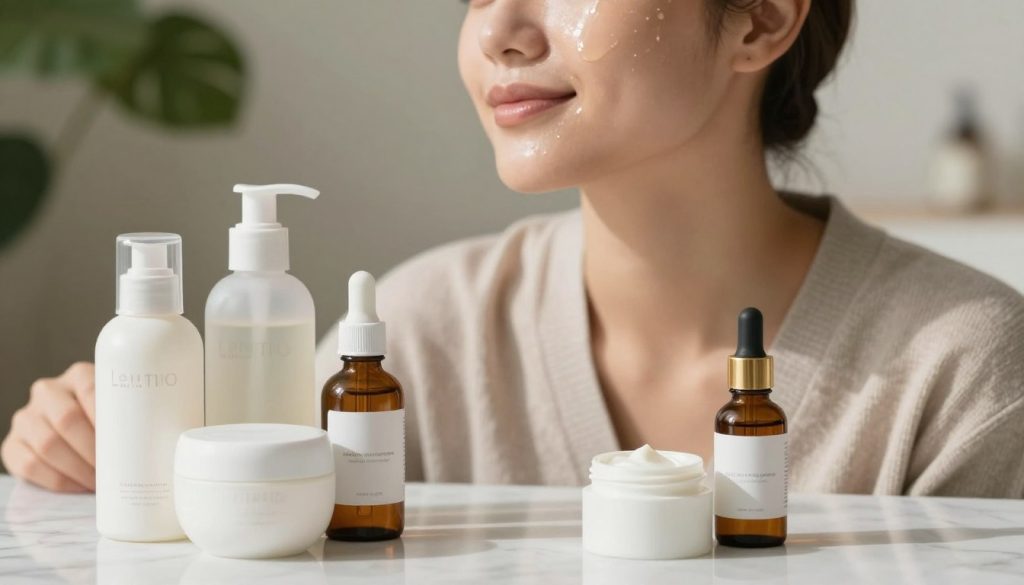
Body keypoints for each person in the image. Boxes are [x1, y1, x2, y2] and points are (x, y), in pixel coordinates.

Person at [5, 0, 1024, 497]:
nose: (497, 29)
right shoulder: (415, 336)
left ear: (758, 19)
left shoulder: (960, 371)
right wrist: (99, 464)